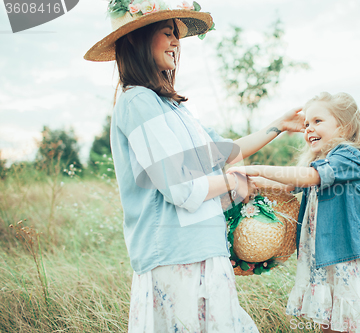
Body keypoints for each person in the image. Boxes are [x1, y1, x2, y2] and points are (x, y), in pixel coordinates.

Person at [84, 1, 305, 332]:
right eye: (167, 32)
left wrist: (278, 126)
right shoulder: (138, 101)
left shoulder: (172, 108)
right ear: (134, 40)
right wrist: (234, 181)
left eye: (178, 35)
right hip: (174, 256)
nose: (176, 42)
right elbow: (182, 189)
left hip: (200, 250)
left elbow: (226, 151)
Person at [227, 92, 360, 333]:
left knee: (349, 321)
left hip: (346, 255)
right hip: (323, 256)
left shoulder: (350, 156)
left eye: (318, 121)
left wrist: (256, 167)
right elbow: (288, 185)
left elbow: (308, 177)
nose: (309, 128)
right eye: (306, 123)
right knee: (330, 323)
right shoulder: (321, 162)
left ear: (345, 127)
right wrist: (249, 178)